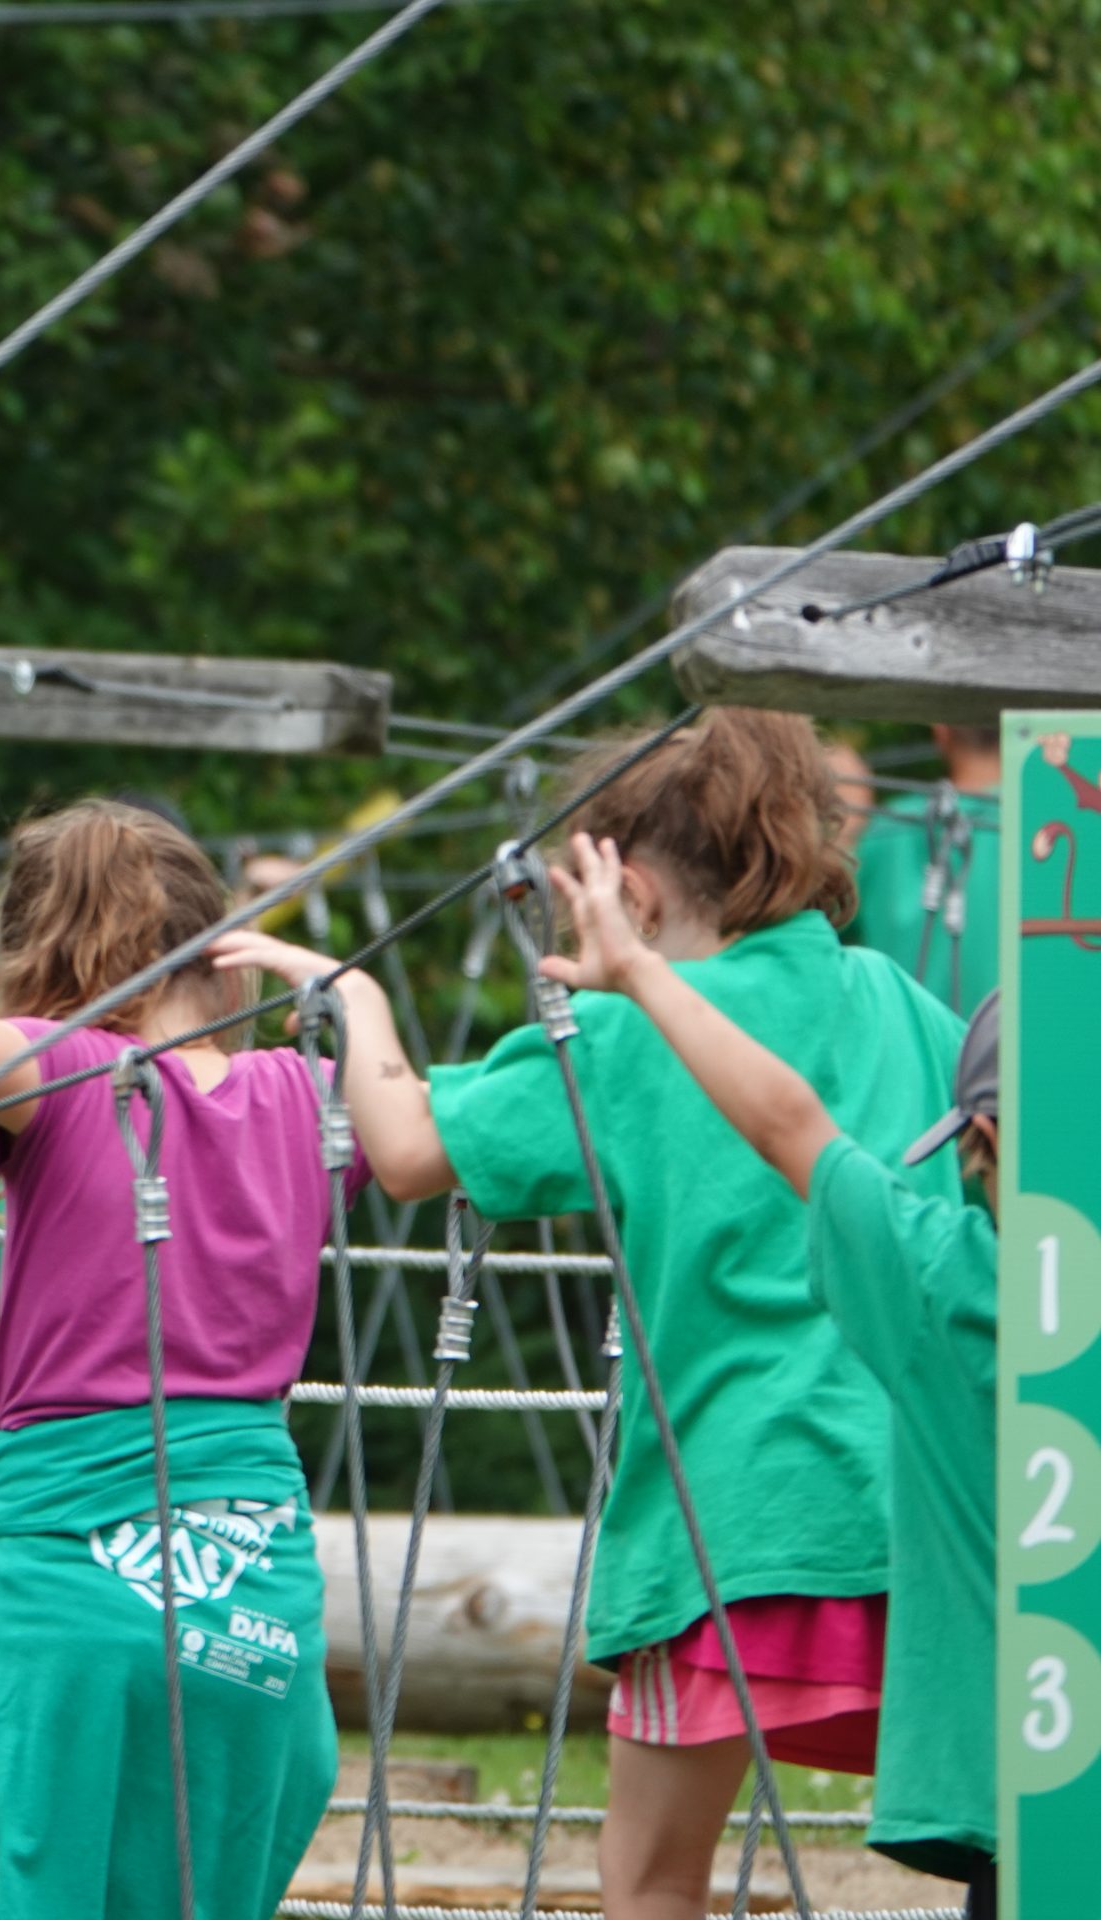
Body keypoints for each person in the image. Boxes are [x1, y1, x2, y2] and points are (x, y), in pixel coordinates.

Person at [215, 709, 967, 1920]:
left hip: (731, 1527)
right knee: (1014, 1850)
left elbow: (402, 1147)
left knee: (647, 1881)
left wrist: (350, 997)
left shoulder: (620, 1030)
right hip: (930, 1516)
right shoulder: (895, 997)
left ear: (631, 884)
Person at [0, 799, 353, 1920]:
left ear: (40, 961)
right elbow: (422, 1135)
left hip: (74, 1594)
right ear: (221, 954)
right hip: (255, 1594)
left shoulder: (68, 1073)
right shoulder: (308, 1096)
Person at [538, 830, 999, 1918]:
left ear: (978, 1135)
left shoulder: (953, 1282)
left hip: (1033, 1770)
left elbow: (788, 1125)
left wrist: (640, 975)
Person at [842, 723, 1003, 1013]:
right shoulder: (1050, 824)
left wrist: (842, 830)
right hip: (1018, 1051)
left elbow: (817, 923)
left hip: (906, 1051)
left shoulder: (887, 827)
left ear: (941, 731)